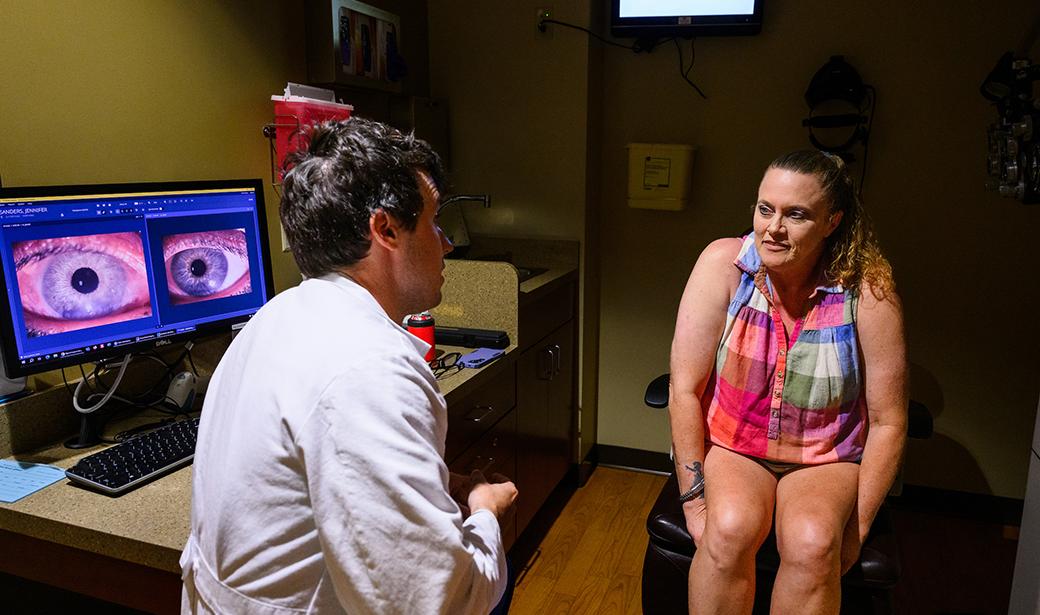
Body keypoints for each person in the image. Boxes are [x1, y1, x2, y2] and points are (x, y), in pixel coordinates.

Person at [180, 118, 518, 614]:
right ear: (385, 229)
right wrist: (486, 514)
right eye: (433, 221)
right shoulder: (373, 370)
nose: (446, 243)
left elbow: (310, 481)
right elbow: (439, 604)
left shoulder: (275, 316)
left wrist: (428, 488)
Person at [668, 149, 907, 614]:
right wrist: (696, 506)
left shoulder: (869, 291)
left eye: (795, 214)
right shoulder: (723, 265)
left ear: (832, 221)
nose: (773, 228)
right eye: (765, 209)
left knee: (814, 543)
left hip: (824, 458)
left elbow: (889, 421)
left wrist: (854, 530)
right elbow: (683, 390)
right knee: (729, 528)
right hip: (735, 447)